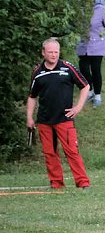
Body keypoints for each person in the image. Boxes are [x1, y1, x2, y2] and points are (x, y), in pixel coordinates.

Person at [26, 38, 92, 190]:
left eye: (56, 52)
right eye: (50, 52)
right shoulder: (38, 72)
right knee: (49, 153)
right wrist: (29, 117)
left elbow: (85, 86)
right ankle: (56, 184)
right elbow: (32, 96)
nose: (54, 55)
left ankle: (83, 182)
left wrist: (78, 107)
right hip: (44, 120)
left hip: (65, 119)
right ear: (43, 53)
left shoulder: (68, 67)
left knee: (72, 151)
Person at [76, 0, 105, 107]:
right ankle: (89, 90)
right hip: (83, 45)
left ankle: (97, 95)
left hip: (97, 45)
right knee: (83, 69)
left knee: (96, 70)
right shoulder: (78, 9)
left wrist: (101, 38)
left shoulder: (101, 9)